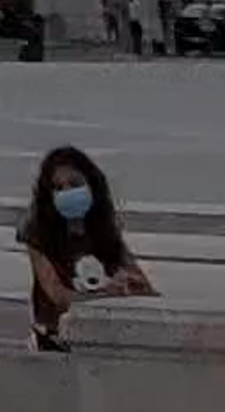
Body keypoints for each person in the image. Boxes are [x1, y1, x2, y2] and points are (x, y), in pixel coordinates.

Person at [18, 146, 156, 351]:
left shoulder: (104, 230)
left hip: (105, 336)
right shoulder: (38, 232)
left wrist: (127, 284)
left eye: (74, 184)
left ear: (91, 184)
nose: (67, 193)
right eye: (58, 187)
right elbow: (57, 295)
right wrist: (108, 293)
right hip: (55, 339)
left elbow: (143, 285)